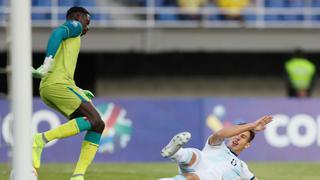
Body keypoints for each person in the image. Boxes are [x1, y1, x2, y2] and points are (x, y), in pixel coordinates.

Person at [31, 6, 105, 180]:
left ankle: (78, 175)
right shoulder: (75, 25)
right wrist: (47, 63)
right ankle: (39, 140)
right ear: (79, 17)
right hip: (58, 85)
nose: (87, 27)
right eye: (87, 22)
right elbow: (57, 33)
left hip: (52, 87)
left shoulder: (73, 37)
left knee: (96, 125)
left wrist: (78, 90)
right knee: (96, 120)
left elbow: (62, 66)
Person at [159, 115, 273, 180]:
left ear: (247, 145)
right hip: (198, 165)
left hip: (209, 177)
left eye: (243, 137)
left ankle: (177, 154)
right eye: (236, 134)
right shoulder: (218, 145)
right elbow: (220, 134)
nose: (237, 138)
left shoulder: (242, 166)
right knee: (196, 155)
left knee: (205, 175)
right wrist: (252, 126)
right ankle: (176, 153)